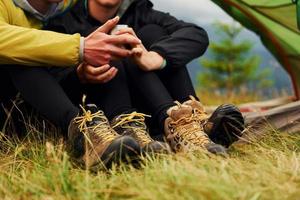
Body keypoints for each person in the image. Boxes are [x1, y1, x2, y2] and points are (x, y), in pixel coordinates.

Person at [46, 0, 245, 153]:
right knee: (108, 43)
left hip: (147, 104)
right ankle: (140, 127)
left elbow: (196, 34)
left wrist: (156, 57)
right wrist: (79, 73)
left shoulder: (140, 13)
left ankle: (190, 121)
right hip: (102, 109)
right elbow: (49, 78)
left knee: (152, 33)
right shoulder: (63, 22)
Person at [0, 0, 161, 170]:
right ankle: (84, 138)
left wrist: (80, 70)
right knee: (21, 53)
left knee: (106, 39)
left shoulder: (70, 6)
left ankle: (126, 129)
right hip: (8, 109)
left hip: (49, 104)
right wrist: (81, 47)